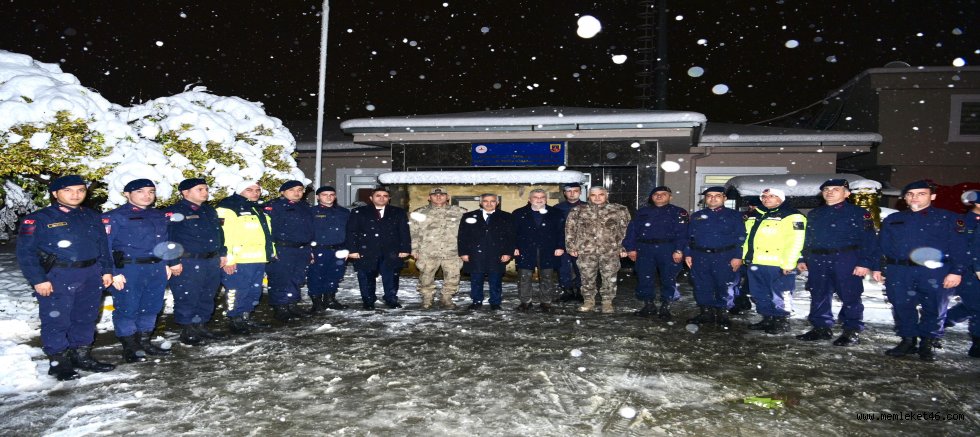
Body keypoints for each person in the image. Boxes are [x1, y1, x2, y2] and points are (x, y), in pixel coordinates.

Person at [17, 175, 115, 380]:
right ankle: (58, 361)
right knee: (57, 319)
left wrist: (106, 270)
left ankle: (81, 355)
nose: (75, 194)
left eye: (80, 190)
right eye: (68, 190)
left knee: (86, 317)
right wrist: (38, 279)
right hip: (57, 275)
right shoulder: (38, 219)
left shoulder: (92, 216)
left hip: (90, 273)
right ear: (55, 193)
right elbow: (26, 253)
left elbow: (103, 247)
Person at [873, 180, 967, 361]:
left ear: (932, 196)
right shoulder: (894, 219)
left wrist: (957, 271)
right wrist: (878, 267)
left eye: (921, 194)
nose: (914, 197)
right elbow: (882, 246)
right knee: (901, 305)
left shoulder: (949, 218)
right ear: (905, 198)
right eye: (910, 194)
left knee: (934, 307)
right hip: (899, 270)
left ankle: (928, 342)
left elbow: (960, 248)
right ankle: (908, 340)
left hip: (934, 271)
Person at [795, 179, 876, 346]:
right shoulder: (815, 213)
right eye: (826, 189)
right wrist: (803, 257)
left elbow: (869, 240)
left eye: (835, 189)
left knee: (850, 295)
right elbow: (808, 239)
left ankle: (851, 330)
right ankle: (821, 328)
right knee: (819, 293)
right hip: (818, 260)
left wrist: (864, 262)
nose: (830, 192)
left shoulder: (859, 213)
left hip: (846, 258)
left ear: (847, 193)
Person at [103, 178, 172, 362]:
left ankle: (145, 341)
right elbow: (105, 246)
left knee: (152, 306)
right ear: (127, 194)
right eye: (140, 192)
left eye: (150, 192)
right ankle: (130, 346)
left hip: (156, 267)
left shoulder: (158, 215)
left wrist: (167, 263)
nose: (147, 196)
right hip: (129, 268)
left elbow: (164, 242)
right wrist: (112, 272)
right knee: (127, 307)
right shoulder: (115, 217)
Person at [166, 178, 228, 345]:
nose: (205, 192)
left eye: (206, 189)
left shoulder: (208, 211)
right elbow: (169, 237)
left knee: (207, 294)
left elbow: (218, 234)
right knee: (188, 296)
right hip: (189, 261)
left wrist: (222, 252)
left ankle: (201, 325)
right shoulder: (175, 211)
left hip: (210, 260)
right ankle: (188, 330)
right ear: (185, 192)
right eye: (200, 189)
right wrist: (173, 261)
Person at [742, 187, 806, 334]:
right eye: (764, 196)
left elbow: (796, 241)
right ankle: (767, 318)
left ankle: (781, 321)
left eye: (772, 196)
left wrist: (789, 263)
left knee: (781, 293)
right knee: (759, 293)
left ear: (781, 199)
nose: (767, 199)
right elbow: (746, 238)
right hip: (756, 262)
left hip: (779, 264)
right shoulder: (755, 215)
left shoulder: (792, 216)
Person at [216, 180, 273, 334]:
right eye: (249, 190)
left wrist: (271, 252)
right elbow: (224, 236)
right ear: (239, 190)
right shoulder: (228, 208)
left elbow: (265, 234)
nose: (255, 193)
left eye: (257, 190)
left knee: (254, 291)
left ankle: (245, 316)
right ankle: (234, 319)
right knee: (237, 290)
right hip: (239, 260)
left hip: (258, 259)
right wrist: (228, 258)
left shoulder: (258, 208)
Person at [684, 186, 746, 327]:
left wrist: (738, 256)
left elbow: (741, 237)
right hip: (700, 256)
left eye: (717, 195)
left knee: (724, 285)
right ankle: (706, 312)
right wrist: (688, 254)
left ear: (724, 198)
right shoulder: (697, 216)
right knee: (701, 285)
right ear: (705, 199)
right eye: (709, 196)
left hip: (725, 256)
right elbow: (689, 237)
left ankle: (722, 312)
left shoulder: (734, 216)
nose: (712, 198)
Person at [623, 186, 688, 319]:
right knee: (644, 277)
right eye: (656, 194)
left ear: (670, 197)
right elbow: (632, 231)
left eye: (663, 194)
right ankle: (648, 305)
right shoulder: (642, 212)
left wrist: (679, 250)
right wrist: (630, 248)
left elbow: (684, 233)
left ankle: (666, 305)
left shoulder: (678, 212)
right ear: (651, 197)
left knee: (668, 278)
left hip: (668, 248)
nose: (659, 196)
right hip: (645, 249)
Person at [564, 186, 631, 313]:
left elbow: (626, 230)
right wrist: (571, 246)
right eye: (594, 195)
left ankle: (607, 302)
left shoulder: (619, 210)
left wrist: (624, 247)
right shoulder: (578, 210)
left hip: (610, 250)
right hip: (586, 250)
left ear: (606, 195)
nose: (597, 197)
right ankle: (588, 301)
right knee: (586, 277)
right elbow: (570, 229)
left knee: (609, 277)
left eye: (601, 194)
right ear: (589, 196)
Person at [346, 187, 411, 310]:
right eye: (378, 195)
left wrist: (405, 248)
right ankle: (368, 301)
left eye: (385, 196)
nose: (382, 198)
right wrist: (352, 250)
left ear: (389, 198)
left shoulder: (398, 212)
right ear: (371, 198)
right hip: (366, 251)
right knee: (366, 277)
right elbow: (351, 232)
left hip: (391, 251)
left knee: (391, 277)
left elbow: (404, 232)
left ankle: (391, 299)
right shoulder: (358, 212)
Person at [265, 180, 315, 322]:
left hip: (302, 249)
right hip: (283, 248)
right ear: (282, 192)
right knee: (280, 278)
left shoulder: (305, 207)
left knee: (297, 278)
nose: (297, 193)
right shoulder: (273, 206)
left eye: (299, 189)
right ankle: (280, 307)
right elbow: (267, 230)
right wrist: (271, 249)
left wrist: (310, 248)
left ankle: (292, 304)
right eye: (292, 190)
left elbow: (309, 229)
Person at [410, 187, 465, 309]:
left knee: (453, 276)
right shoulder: (419, 213)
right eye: (435, 195)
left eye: (442, 194)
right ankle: (427, 299)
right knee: (426, 277)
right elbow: (413, 233)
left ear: (448, 197)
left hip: (452, 251)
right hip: (427, 251)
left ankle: (447, 298)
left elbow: (467, 233)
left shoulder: (460, 212)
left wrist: (465, 250)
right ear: (429, 197)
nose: (439, 197)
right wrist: (414, 250)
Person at [457, 193, 516, 310]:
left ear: (497, 203)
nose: (489, 204)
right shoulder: (469, 216)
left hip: (497, 254)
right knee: (476, 279)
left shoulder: (506, 217)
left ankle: (495, 302)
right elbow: (462, 236)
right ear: (481, 202)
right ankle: (476, 301)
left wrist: (508, 253)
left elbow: (511, 237)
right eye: (485, 201)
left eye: (492, 201)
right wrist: (463, 252)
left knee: (495, 280)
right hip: (475, 254)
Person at [512, 189, 565, 312]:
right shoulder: (519, 213)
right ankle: (525, 302)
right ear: (530, 199)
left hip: (549, 249)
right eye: (536, 197)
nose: (539, 199)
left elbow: (561, 232)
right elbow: (513, 233)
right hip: (525, 249)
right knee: (524, 277)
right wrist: (513, 247)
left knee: (547, 276)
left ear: (546, 199)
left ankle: (546, 302)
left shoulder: (556, 213)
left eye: (542, 197)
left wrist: (560, 246)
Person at [945, 189, 980, 357]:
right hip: (969, 272)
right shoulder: (964, 223)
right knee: (978, 307)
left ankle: (940, 321)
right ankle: (978, 344)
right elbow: (963, 250)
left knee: (971, 305)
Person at [308, 185, 351, 313]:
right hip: (318, 249)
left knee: (335, 275)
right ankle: (317, 302)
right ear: (317, 197)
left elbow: (350, 232)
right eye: (325, 194)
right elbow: (306, 232)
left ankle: (330, 299)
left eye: (331, 194)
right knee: (316, 276)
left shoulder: (343, 212)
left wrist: (348, 249)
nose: (329, 197)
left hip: (339, 249)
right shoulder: (311, 212)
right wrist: (308, 250)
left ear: (335, 196)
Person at [554, 182, 584, 302]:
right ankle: (567, 291)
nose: (572, 194)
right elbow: (555, 228)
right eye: (569, 191)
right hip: (563, 243)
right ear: (565, 193)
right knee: (563, 268)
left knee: (582, 269)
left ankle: (580, 291)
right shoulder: (557, 208)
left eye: (575, 191)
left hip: (582, 244)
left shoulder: (587, 207)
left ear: (580, 192)